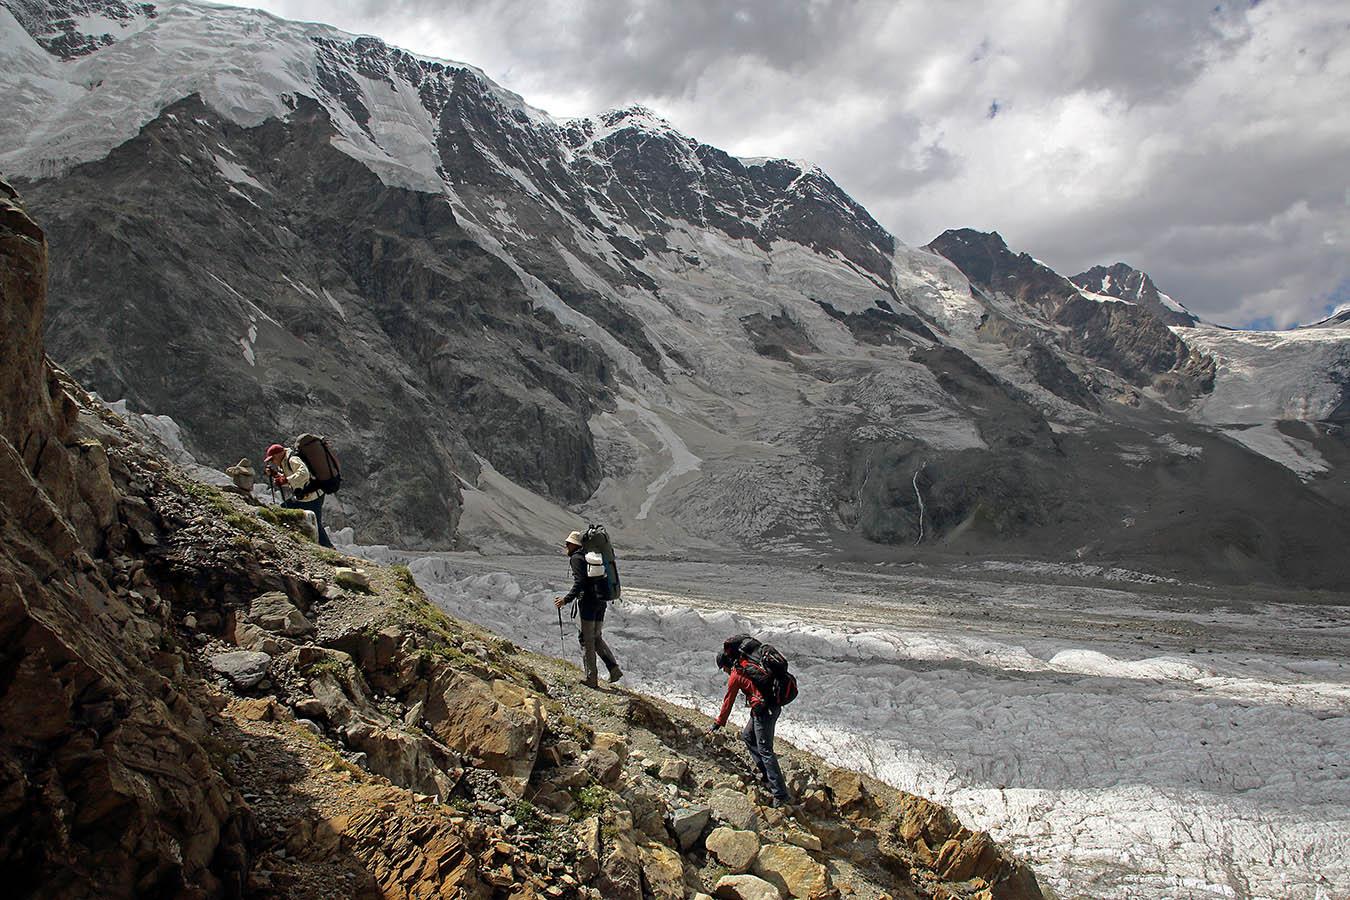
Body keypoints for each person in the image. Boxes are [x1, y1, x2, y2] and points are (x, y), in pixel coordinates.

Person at [709, 649, 791, 807]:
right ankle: (767, 776)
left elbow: (728, 701)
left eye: (723, 668)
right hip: (765, 708)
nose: (724, 671)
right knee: (747, 736)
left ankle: (780, 794)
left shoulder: (736, 675)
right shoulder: (747, 667)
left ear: (726, 664)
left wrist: (719, 723)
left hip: (764, 712)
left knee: (765, 749)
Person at [554, 530, 621, 688]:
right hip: (600, 602)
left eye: (567, 544)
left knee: (586, 640)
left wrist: (566, 600)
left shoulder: (576, 559)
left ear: (573, 545)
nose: (566, 547)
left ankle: (591, 678)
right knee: (596, 637)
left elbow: (580, 582)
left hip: (588, 605)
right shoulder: (591, 557)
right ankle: (614, 669)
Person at [264, 442, 333, 548]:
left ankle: (328, 547)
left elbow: (303, 474)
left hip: (312, 497)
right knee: (284, 509)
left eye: (272, 459)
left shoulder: (292, 460)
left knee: (316, 525)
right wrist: (277, 476)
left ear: (278, 455)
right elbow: (295, 479)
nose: (272, 462)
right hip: (303, 497)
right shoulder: (285, 461)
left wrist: (285, 479)